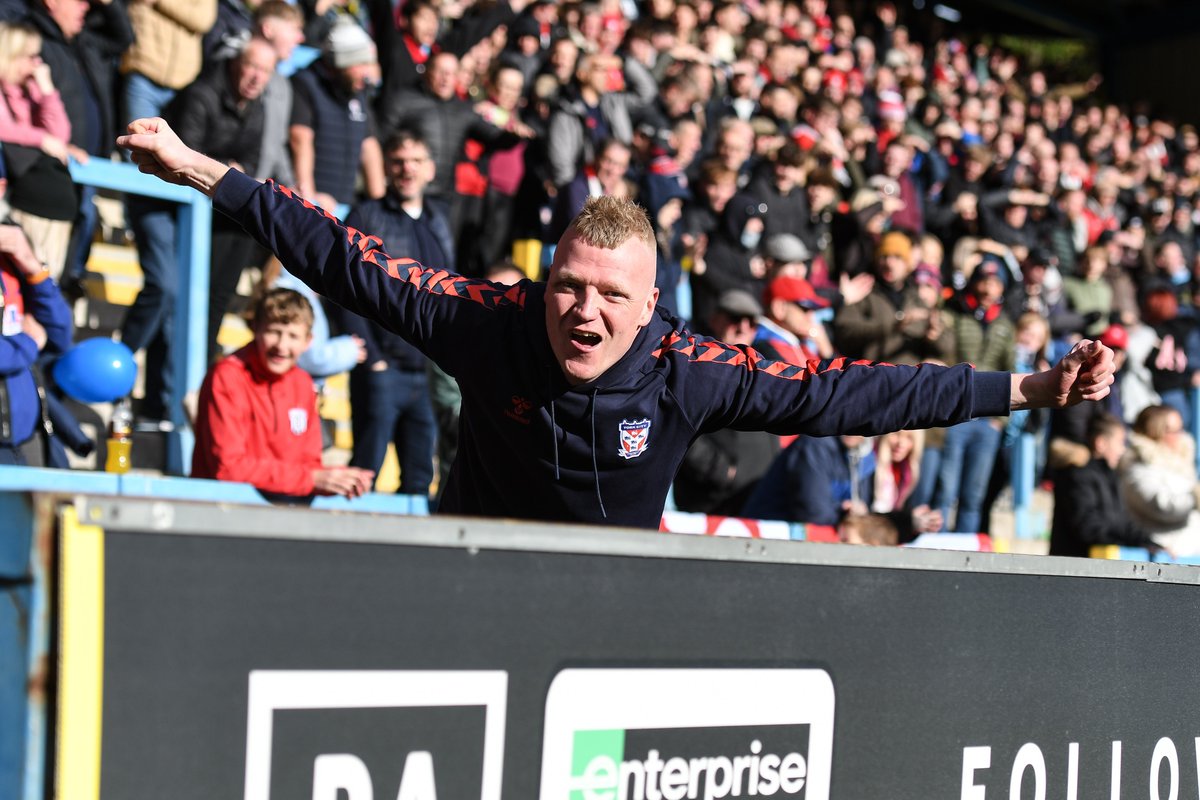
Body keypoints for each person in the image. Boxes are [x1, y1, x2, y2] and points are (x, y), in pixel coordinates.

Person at [120, 117, 1116, 528]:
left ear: (651, 307)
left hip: (612, 603)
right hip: (472, 576)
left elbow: (851, 392)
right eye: (569, 286)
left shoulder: (690, 366)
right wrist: (200, 168)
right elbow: (341, 253)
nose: (583, 312)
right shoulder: (487, 319)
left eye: (610, 296)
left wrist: (1025, 388)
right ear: (545, 278)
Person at [330, 130, 446, 499]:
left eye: (415, 161)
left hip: (425, 373)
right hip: (383, 369)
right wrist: (373, 359)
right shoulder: (367, 215)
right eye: (398, 161)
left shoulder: (440, 221)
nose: (407, 169)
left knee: (419, 482)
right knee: (364, 475)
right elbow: (343, 288)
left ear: (430, 169)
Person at [191, 287, 374, 499]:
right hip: (221, 508)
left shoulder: (302, 383)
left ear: (308, 341)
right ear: (255, 329)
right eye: (274, 332)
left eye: (293, 336)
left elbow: (309, 465)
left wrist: (341, 479)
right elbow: (227, 468)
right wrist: (312, 479)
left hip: (280, 508)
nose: (282, 346)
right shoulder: (227, 377)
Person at [0, 221, 71, 465]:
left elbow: (59, 335)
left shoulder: (9, 250)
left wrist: (32, 267)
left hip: (28, 439)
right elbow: (34, 340)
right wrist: (28, 343)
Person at [1049, 412, 1157, 558]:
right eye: (1120, 442)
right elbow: (1087, 528)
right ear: (1100, 443)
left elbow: (1122, 522)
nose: (1123, 450)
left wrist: (1149, 542)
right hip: (1076, 564)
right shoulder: (1078, 476)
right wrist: (1125, 540)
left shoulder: (1110, 476)